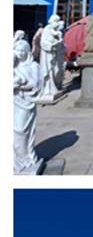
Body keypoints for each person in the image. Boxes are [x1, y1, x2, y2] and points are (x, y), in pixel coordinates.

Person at [14, 33, 44, 174]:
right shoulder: (14, 66)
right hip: (13, 101)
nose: (19, 54)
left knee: (21, 130)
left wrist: (23, 85)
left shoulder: (34, 67)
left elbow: (38, 86)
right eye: (17, 51)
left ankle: (25, 157)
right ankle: (16, 160)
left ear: (27, 51)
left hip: (26, 103)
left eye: (22, 51)